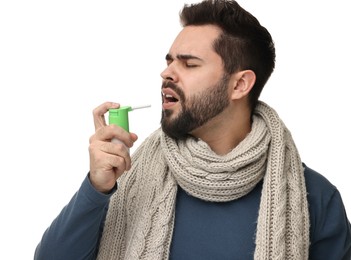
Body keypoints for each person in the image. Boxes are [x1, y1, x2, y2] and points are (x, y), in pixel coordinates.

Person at [34, 0, 351, 259]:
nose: (166, 72)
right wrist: (97, 188)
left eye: (189, 63)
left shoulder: (316, 198)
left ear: (240, 84)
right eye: (169, 60)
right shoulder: (126, 178)